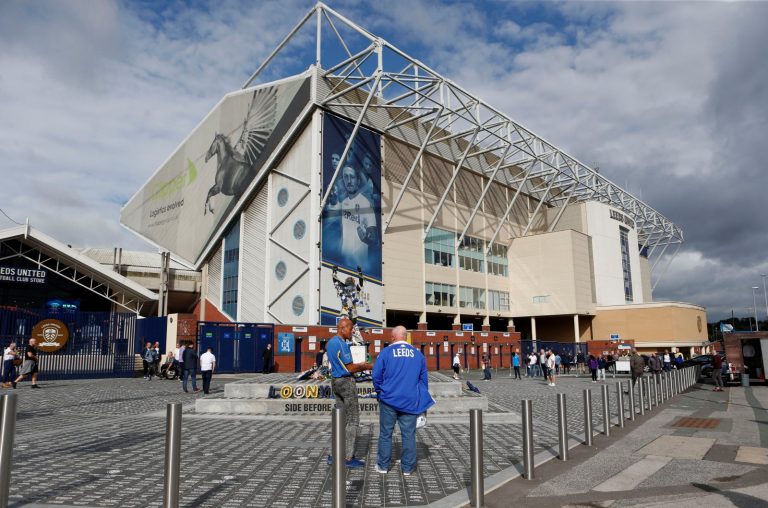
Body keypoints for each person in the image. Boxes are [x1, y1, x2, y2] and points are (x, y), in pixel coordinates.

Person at [373, 326, 434, 476]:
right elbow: (423, 381)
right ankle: (407, 468)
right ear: (406, 337)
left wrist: (380, 391)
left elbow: (376, 376)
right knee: (408, 435)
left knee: (386, 434)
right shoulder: (418, 355)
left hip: (388, 399)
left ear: (393, 338)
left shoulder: (385, 352)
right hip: (410, 401)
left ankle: (383, 466)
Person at [326, 317, 373, 469]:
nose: (353, 331)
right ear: (343, 328)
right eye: (351, 328)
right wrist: (367, 366)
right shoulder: (342, 344)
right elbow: (350, 368)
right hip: (346, 383)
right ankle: (347, 456)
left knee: (341, 419)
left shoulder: (330, 342)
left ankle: (334, 455)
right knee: (352, 420)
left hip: (335, 382)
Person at [328, 165, 378, 268]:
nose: (349, 181)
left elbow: (375, 241)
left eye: (352, 177)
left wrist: (365, 239)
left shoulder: (365, 204)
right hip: (343, 263)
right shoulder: (344, 203)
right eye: (346, 177)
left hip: (360, 267)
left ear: (358, 181)